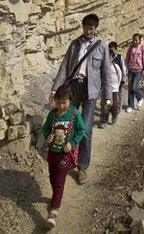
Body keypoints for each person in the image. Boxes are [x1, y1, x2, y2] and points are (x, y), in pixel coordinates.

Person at [49, 13, 112, 185]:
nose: (88, 31)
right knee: (66, 124)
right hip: (73, 88)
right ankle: (66, 159)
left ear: (96, 28)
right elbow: (64, 68)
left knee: (85, 130)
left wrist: (108, 97)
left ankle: (82, 167)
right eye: (86, 28)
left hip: (91, 91)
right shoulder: (75, 44)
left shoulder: (102, 47)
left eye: (91, 28)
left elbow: (106, 74)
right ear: (82, 27)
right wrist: (55, 89)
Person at [43, 85, 85, 228]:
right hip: (53, 153)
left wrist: (72, 143)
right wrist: (47, 137)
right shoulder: (52, 114)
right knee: (53, 177)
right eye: (59, 102)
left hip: (65, 155)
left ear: (70, 101)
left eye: (64, 102)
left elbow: (81, 130)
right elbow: (45, 128)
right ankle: (56, 197)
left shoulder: (74, 114)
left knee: (60, 180)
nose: (61, 105)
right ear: (55, 100)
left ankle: (54, 211)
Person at [99, 50, 123, 128]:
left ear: (112, 58)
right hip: (106, 90)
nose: (107, 59)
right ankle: (104, 120)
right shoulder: (102, 68)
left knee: (115, 104)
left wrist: (117, 85)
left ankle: (114, 115)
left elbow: (119, 76)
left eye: (109, 57)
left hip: (114, 90)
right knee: (106, 105)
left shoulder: (116, 66)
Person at [125, 33, 144, 112]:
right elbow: (127, 58)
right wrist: (125, 68)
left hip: (139, 70)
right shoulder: (130, 48)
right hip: (131, 70)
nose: (135, 41)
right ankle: (130, 105)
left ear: (139, 40)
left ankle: (140, 97)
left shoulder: (142, 48)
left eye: (136, 40)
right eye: (134, 40)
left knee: (134, 87)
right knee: (130, 89)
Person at [109, 42, 127, 112]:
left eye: (112, 50)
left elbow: (123, 68)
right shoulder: (107, 58)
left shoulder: (119, 58)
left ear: (116, 49)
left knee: (118, 95)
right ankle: (110, 108)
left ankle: (117, 108)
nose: (111, 52)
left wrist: (123, 78)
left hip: (118, 80)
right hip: (110, 81)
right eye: (110, 50)